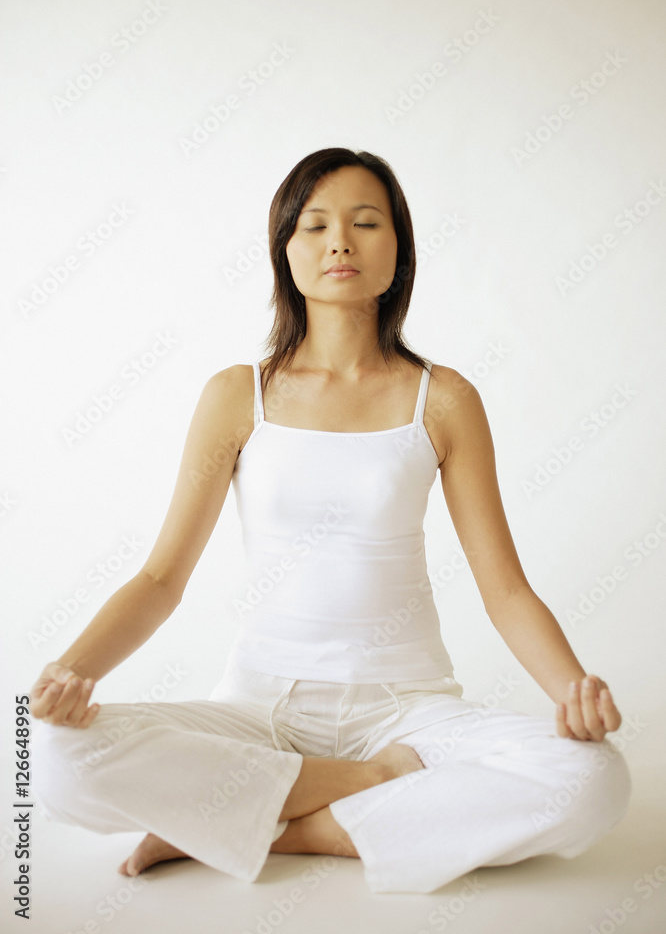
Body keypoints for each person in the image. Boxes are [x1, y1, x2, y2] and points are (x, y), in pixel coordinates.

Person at [29, 148, 631, 895]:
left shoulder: (443, 399)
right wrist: (72, 671)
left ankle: (267, 826)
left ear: (398, 249)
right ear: (285, 251)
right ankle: (372, 785)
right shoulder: (237, 395)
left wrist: (573, 693)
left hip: (408, 712)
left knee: (593, 778)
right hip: (261, 708)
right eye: (314, 225)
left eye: (365, 222)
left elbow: (504, 590)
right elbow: (160, 579)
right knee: (55, 758)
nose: (339, 241)